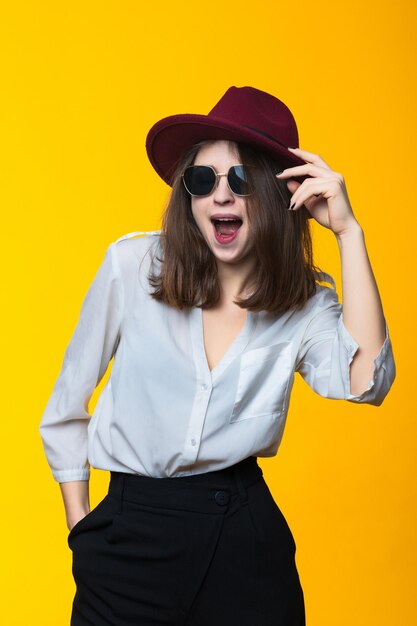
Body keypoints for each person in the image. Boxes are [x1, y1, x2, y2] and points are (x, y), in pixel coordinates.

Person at [39, 85, 396, 626]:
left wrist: (349, 232)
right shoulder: (131, 266)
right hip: (127, 537)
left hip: (243, 544)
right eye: (203, 180)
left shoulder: (303, 302)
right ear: (188, 195)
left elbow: (366, 381)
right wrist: (81, 530)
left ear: (282, 195)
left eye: (243, 179)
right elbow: (67, 405)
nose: (221, 197)